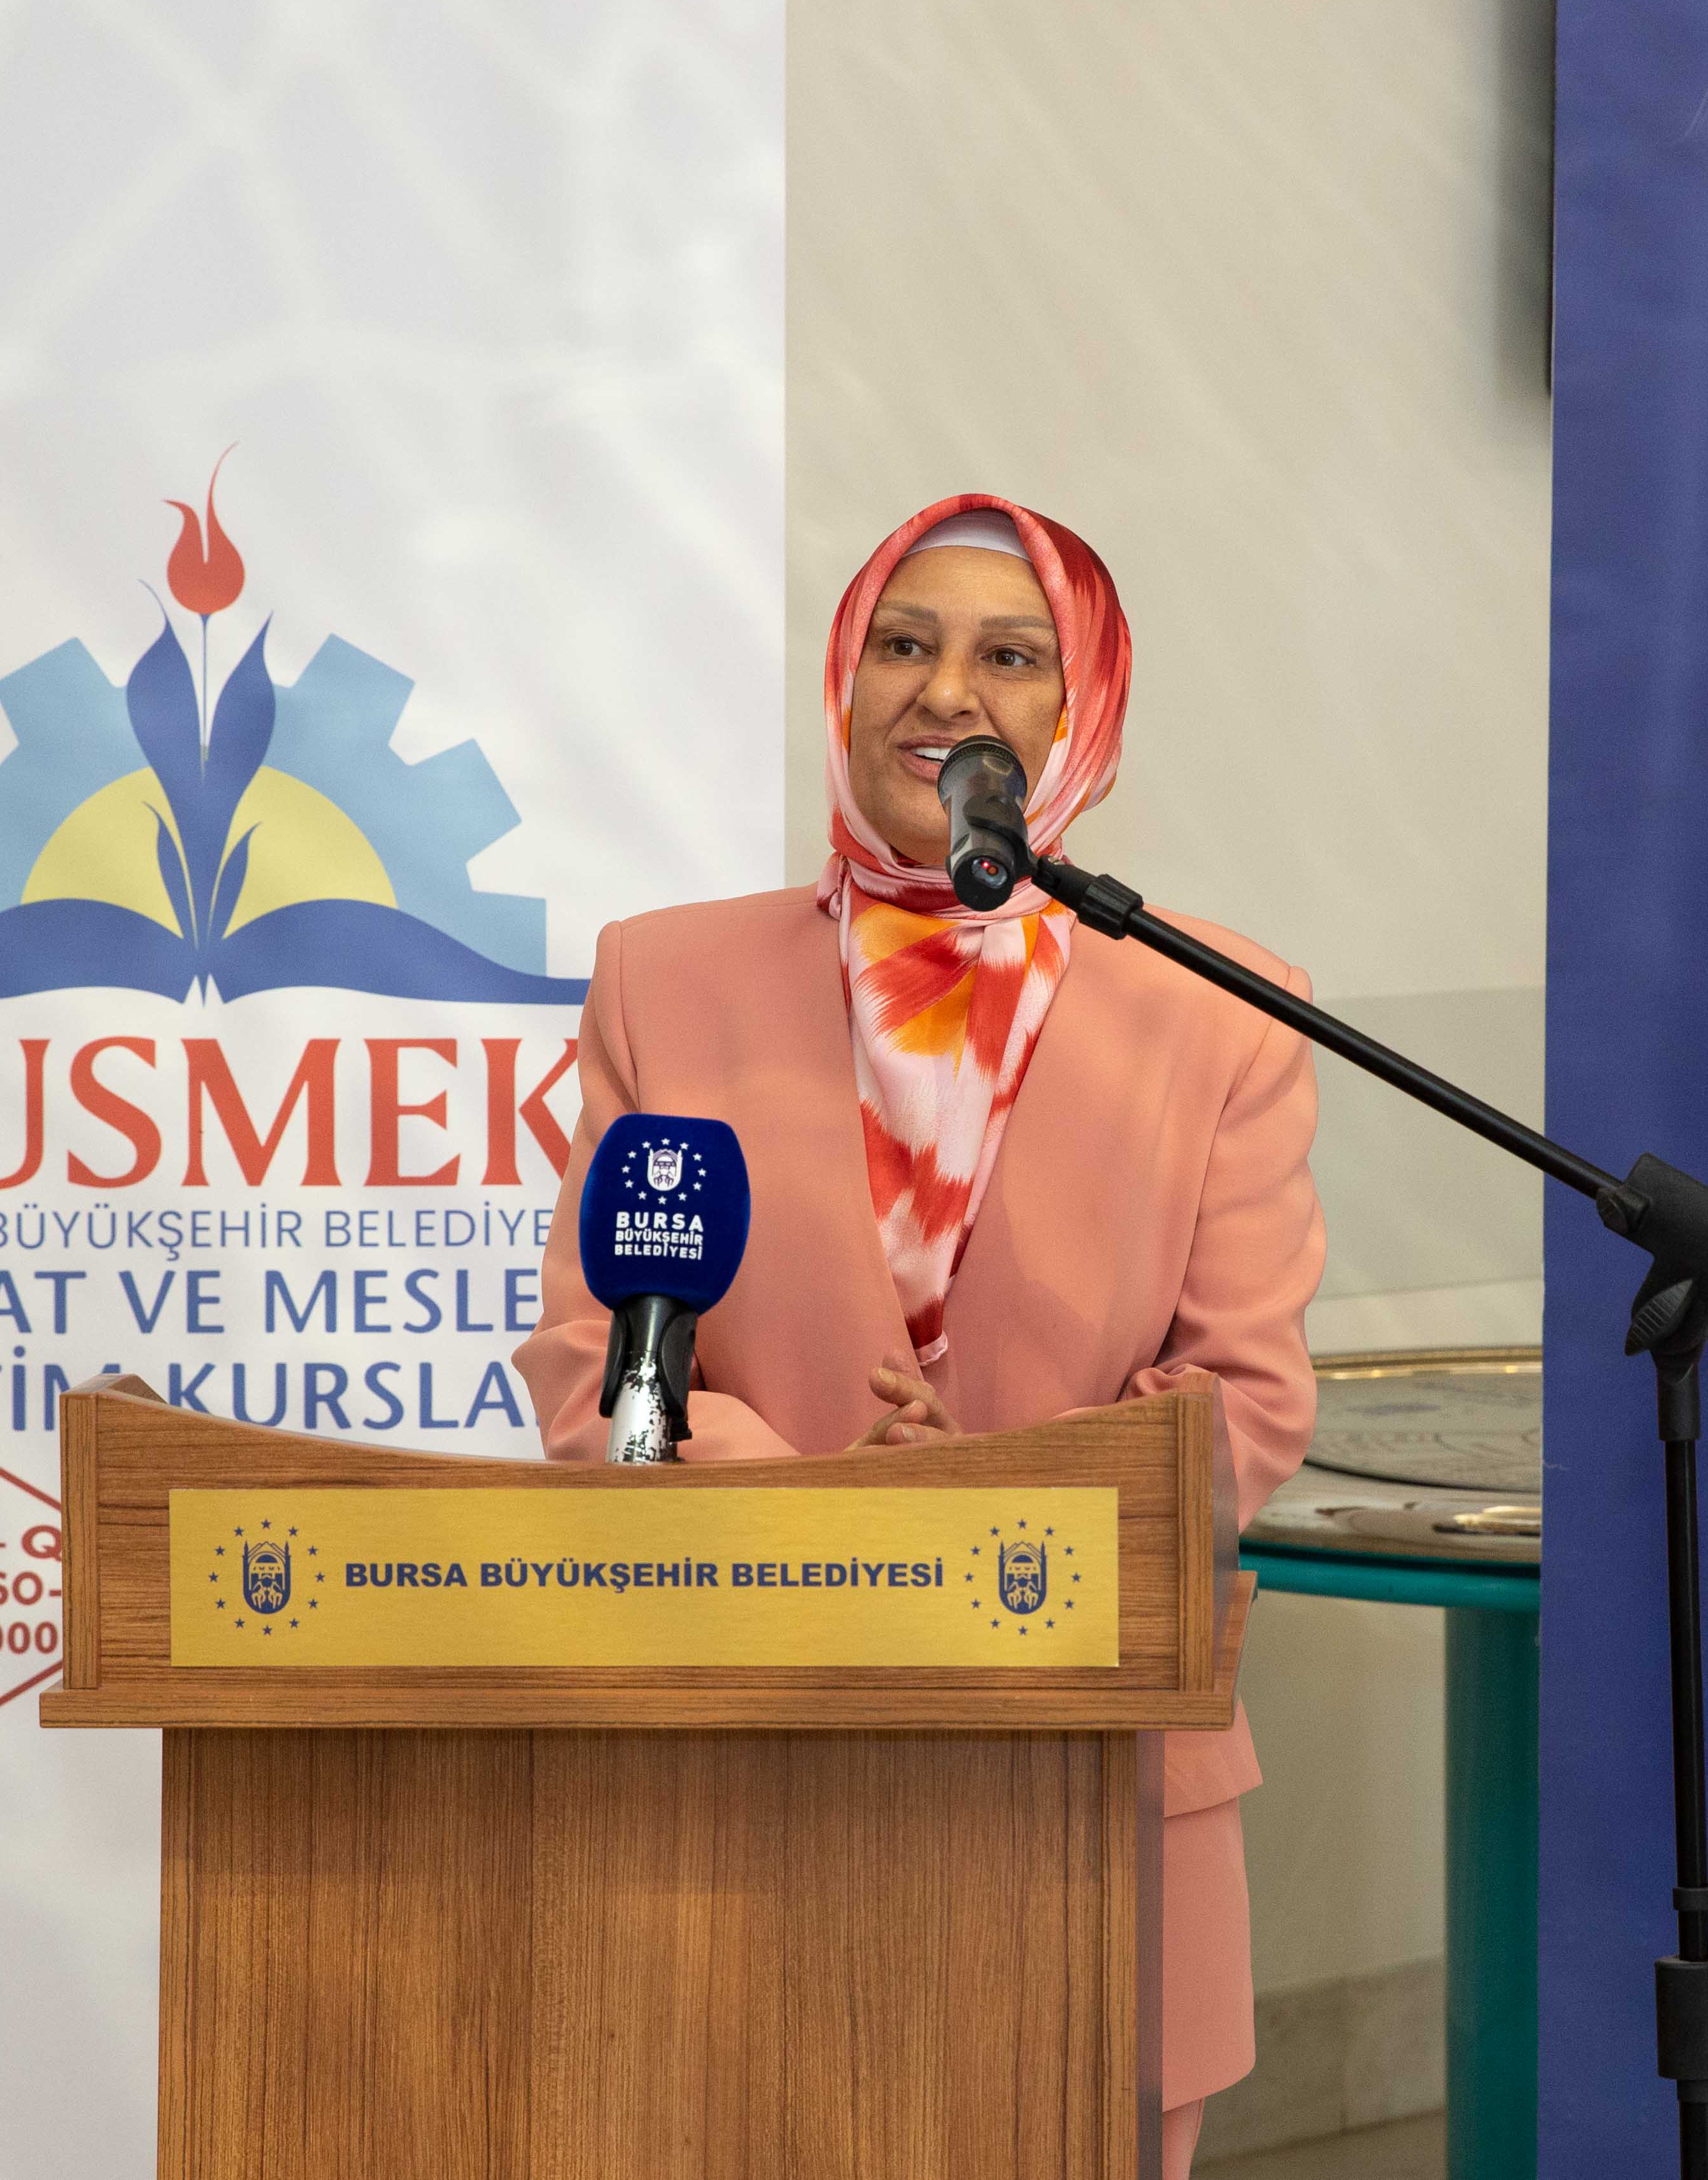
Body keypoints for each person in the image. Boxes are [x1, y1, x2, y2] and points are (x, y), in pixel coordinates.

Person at [513, 492, 1324, 2176]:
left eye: (1010, 657)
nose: (943, 690)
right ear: (844, 676)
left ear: (1081, 713)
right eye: (903, 641)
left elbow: (1243, 1404)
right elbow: (610, 1376)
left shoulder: (1217, 1013)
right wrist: (826, 1515)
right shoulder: (669, 982)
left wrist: (1002, 1505)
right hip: (742, 1765)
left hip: (1090, 1779)